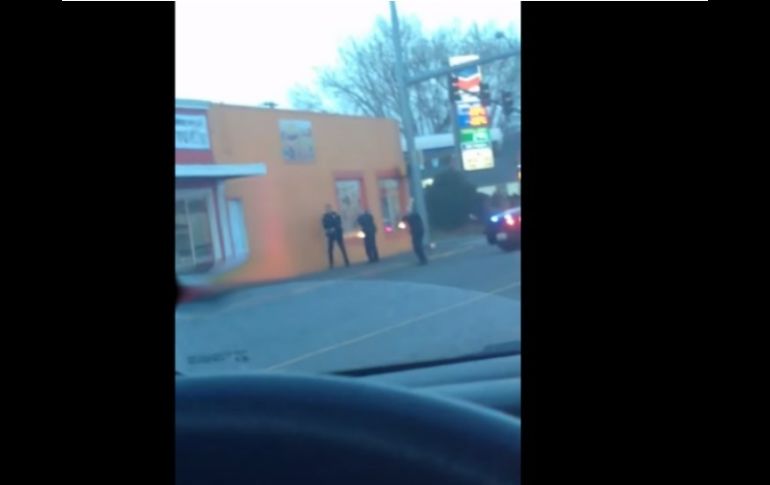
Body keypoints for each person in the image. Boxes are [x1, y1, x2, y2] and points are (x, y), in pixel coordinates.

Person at [321, 204, 349, 268]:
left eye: (329, 208)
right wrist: (329, 229)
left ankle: (346, 261)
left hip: (338, 233)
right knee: (330, 249)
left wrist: (335, 228)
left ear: (331, 208)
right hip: (330, 234)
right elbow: (324, 225)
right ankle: (331, 264)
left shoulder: (335, 215)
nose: (328, 210)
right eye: (327, 209)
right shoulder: (325, 217)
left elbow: (339, 222)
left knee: (342, 247)